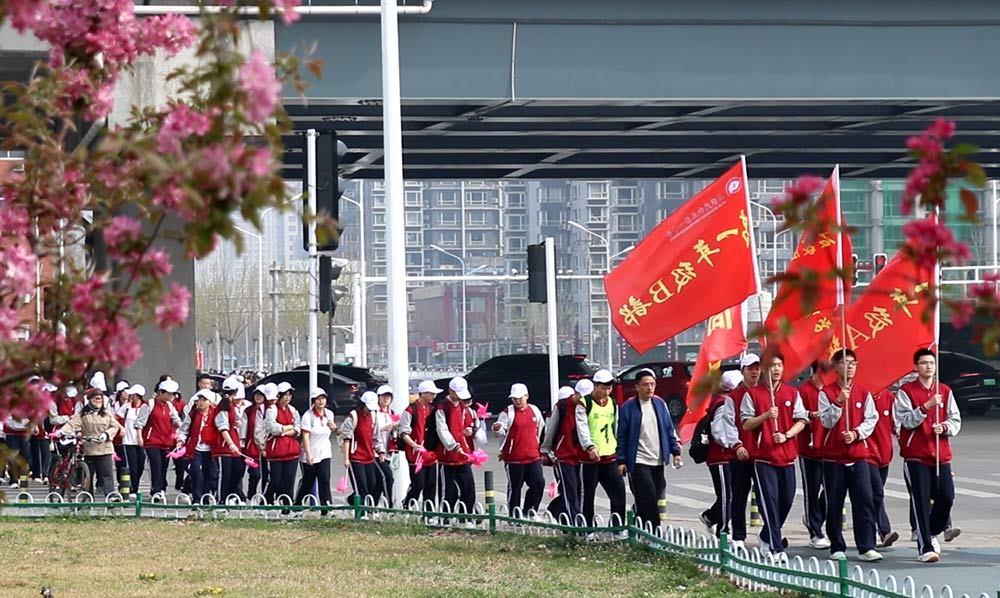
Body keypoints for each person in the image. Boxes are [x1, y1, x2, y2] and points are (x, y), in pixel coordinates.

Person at [895, 348, 962, 563]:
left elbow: (956, 419)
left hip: (940, 454)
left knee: (947, 496)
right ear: (916, 367)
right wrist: (925, 407)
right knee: (921, 501)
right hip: (916, 455)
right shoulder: (906, 391)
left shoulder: (944, 390)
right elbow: (905, 420)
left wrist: (945, 427)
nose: (928, 366)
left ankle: (933, 530)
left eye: (931, 363)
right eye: (924, 363)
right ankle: (924, 547)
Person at [741, 354, 808, 557]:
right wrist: (765, 416)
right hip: (764, 458)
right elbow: (746, 423)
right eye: (772, 365)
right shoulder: (753, 395)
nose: (776, 369)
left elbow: (802, 420)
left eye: (779, 365)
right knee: (769, 502)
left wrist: (787, 435)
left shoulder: (791, 393)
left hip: (787, 456)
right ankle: (775, 547)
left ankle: (766, 535)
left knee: (786, 501)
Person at [819, 348, 881, 562]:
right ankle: (837, 546)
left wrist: (856, 434)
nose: (850, 366)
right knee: (835, 502)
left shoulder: (864, 393)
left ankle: (866, 546)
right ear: (836, 367)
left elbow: (871, 419)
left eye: (853, 362)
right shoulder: (825, 393)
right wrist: (838, 401)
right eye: (845, 362)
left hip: (858, 455)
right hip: (834, 458)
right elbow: (826, 421)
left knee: (864, 500)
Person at [616, 368, 683, 532]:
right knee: (649, 496)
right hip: (638, 460)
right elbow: (622, 435)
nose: (649, 388)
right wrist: (622, 460)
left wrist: (676, 451)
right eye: (645, 385)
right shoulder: (628, 408)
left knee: (653, 495)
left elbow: (668, 429)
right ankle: (655, 533)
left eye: (652, 384)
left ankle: (639, 525)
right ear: (637, 386)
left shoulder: (660, 404)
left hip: (658, 458)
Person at [578, 369, 627, 535]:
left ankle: (617, 528)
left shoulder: (612, 404)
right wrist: (589, 447)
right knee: (588, 495)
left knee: (619, 493)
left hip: (609, 456)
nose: (607, 391)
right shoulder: (584, 404)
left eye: (609, 388)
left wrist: (620, 452)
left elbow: (617, 427)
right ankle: (588, 530)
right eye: (604, 387)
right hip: (590, 459)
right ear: (595, 386)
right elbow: (582, 428)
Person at [53, 389, 123, 498]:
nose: (99, 401)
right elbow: (72, 424)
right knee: (88, 475)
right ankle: (88, 497)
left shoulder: (107, 414)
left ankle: (111, 497)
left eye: (100, 399)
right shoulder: (83, 414)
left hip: (105, 448)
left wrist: (106, 434)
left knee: (106, 474)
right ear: (89, 400)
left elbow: (114, 426)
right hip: (89, 449)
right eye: (96, 398)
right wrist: (61, 431)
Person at [725, 354, 762, 550]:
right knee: (739, 494)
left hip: (764, 455)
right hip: (740, 455)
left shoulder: (767, 393)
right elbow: (729, 424)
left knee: (767, 496)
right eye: (750, 368)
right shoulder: (734, 397)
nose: (754, 372)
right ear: (743, 371)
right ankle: (738, 534)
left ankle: (769, 534)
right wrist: (737, 445)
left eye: (757, 368)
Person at [701, 369, 743, 539]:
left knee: (731, 494)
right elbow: (718, 432)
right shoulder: (723, 404)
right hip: (720, 456)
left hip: (728, 456)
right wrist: (731, 444)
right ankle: (723, 532)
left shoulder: (728, 401)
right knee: (726, 495)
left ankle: (710, 516)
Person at [493, 383, 545, 518]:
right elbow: (501, 431)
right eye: (514, 398)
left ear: (526, 396)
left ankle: (530, 511)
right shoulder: (507, 413)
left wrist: (540, 447)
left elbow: (540, 429)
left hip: (533, 456)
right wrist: (497, 429)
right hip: (514, 459)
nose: (517, 401)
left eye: (519, 398)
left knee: (538, 483)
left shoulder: (534, 410)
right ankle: (514, 515)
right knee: (515, 488)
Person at [541, 383, 589, 526]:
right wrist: (545, 450)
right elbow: (551, 429)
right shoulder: (562, 406)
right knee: (570, 490)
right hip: (564, 455)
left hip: (582, 455)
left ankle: (569, 516)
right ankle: (575, 522)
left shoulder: (588, 405)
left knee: (580, 489)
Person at [797, 361, 831, 549]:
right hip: (809, 451)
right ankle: (815, 532)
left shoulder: (832, 391)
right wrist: (811, 414)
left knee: (831, 491)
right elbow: (796, 415)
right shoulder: (804, 391)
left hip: (829, 450)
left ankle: (813, 518)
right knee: (811, 490)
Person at [436, 377, 476, 521]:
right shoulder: (442, 407)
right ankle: (445, 517)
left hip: (462, 454)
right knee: (447, 490)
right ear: (450, 391)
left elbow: (461, 425)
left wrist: (468, 431)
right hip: (447, 455)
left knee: (468, 487)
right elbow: (442, 429)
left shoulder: (461, 406)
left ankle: (466, 517)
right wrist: (453, 445)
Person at [399, 380, 441, 510]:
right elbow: (403, 431)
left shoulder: (433, 410)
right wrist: (413, 445)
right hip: (415, 455)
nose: (434, 396)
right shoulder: (411, 410)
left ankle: (428, 513)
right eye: (431, 394)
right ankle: (407, 504)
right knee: (418, 484)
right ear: (423, 394)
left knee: (431, 484)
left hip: (430, 453)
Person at [295, 388, 337, 510]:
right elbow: (305, 436)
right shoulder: (308, 416)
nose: (321, 401)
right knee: (308, 481)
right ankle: (297, 506)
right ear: (313, 401)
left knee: (325, 479)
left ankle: (326, 507)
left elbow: (334, 430)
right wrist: (308, 454)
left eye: (323, 398)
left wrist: (334, 427)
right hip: (311, 452)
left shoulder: (329, 414)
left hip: (325, 452)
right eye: (318, 399)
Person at [869, 385, 899, 549]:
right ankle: (884, 530)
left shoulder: (888, 397)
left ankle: (875, 531)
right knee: (876, 492)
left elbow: (897, 425)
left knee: (874, 494)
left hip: (884, 454)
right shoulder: (861, 395)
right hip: (867, 453)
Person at [176, 389, 219, 502]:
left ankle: (205, 497)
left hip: (211, 449)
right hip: (195, 449)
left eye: (204, 400)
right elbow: (184, 430)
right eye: (199, 400)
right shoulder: (193, 414)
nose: (201, 402)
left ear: (210, 402)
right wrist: (181, 440)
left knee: (210, 474)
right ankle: (196, 498)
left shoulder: (216, 414)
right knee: (196, 472)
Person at [142, 379, 183, 497]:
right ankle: (156, 490)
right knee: (155, 465)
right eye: (168, 394)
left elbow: (175, 419)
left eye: (172, 394)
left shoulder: (170, 406)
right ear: (160, 392)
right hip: (152, 441)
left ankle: (161, 488)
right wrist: (141, 437)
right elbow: (141, 422)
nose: (171, 397)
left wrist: (181, 426)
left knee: (164, 466)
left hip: (166, 441)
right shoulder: (149, 404)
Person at [264, 381, 301, 505]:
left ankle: (287, 505)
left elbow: (298, 428)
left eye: (289, 395)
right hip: (276, 452)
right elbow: (273, 428)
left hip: (291, 451)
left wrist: (288, 430)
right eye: (285, 395)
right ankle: (267, 499)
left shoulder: (293, 410)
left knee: (289, 480)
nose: (288, 398)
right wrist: (287, 428)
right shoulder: (272, 410)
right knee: (276, 480)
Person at [342, 391, 380, 507]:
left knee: (372, 484)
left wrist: (379, 451)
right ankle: (362, 511)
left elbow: (375, 436)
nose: (369, 411)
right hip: (356, 457)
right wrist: (346, 458)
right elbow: (346, 438)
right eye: (368, 408)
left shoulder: (373, 416)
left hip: (369, 456)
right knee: (361, 485)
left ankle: (354, 501)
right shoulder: (353, 416)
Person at [214, 376, 245, 502]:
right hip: (224, 446)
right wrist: (231, 445)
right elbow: (223, 428)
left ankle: (232, 494)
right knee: (225, 474)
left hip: (234, 443)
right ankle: (222, 500)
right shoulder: (223, 406)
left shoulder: (231, 406)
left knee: (238, 471)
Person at [119, 384, 149, 496]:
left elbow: (141, 423)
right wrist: (120, 427)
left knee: (140, 464)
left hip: (140, 441)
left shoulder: (144, 407)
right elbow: (116, 416)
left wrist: (141, 437)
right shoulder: (127, 407)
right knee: (132, 465)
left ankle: (133, 485)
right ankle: (133, 488)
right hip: (128, 440)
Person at [245, 384, 273, 498]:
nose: (258, 397)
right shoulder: (249, 410)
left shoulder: (270, 410)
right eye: (257, 394)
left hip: (267, 447)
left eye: (261, 395)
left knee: (266, 474)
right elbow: (245, 429)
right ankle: (251, 495)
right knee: (255, 474)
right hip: (251, 447)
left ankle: (264, 497)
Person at [373, 384, 398, 507]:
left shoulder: (392, 413)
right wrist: (383, 428)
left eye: (388, 397)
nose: (386, 399)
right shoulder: (374, 413)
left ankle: (370, 505)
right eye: (383, 397)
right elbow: (371, 431)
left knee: (378, 481)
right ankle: (389, 505)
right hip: (376, 451)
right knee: (387, 476)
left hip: (388, 450)